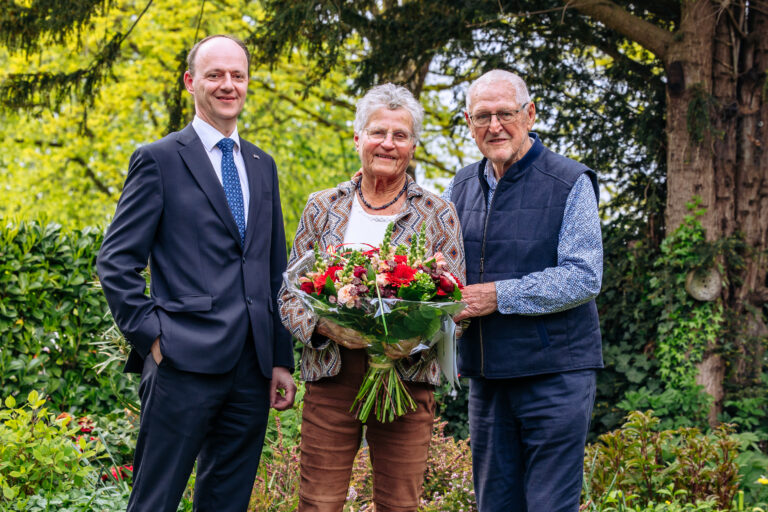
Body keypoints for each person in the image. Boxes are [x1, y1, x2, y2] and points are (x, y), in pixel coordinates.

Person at [97, 34, 296, 512]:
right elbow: (116, 261)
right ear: (191, 82)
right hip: (181, 364)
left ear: (248, 83)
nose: (228, 85)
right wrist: (153, 338)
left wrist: (280, 358)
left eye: (237, 75)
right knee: (155, 501)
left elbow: (273, 269)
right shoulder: (159, 159)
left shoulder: (261, 165)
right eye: (215, 75)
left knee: (226, 503)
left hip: (251, 369)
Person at [278, 83, 466, 512]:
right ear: (358, 136)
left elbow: (453, 303)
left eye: (400, 135)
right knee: (318, 503)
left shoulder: (438, 212)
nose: (388, 143)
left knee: (399, 504)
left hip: (408, 376)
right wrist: (326, 327)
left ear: (413, 146)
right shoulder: (322, 207)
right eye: (378, 132)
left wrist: (411, 339)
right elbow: (288, 294)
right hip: (332, 374)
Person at [444, 69, 603, 511]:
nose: (494, 126)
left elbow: (584, 275)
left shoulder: (569, 181)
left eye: (505, 114)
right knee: (493, 504)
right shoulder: (459, 186)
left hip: (555, 375)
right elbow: (445, 271)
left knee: (549, 504)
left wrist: (497, 295)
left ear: (529, 114)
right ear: (468, 122)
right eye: (482, 116)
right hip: (488, 376)